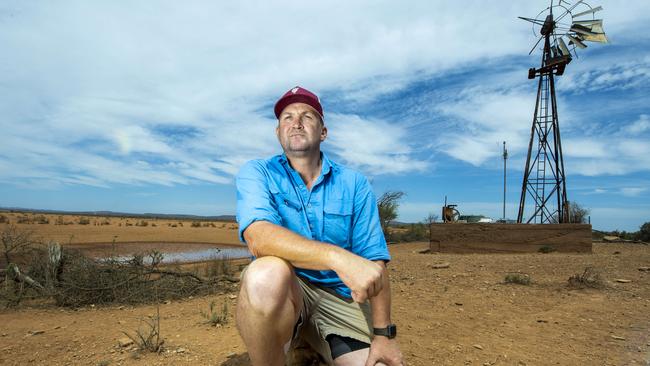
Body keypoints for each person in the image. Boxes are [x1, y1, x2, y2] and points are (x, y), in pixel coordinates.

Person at [235, 86, 404, 366]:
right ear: (278, 133)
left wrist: (384, 334)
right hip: (288, 291)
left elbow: (374, 262)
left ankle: (316, 344)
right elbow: (258, 237)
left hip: (340, 299)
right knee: (264, 274)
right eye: (287, 117)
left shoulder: (354, 183)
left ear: (323, 132)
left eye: (307, 116)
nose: (296, 122)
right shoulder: (258, 172)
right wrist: (337, 257)